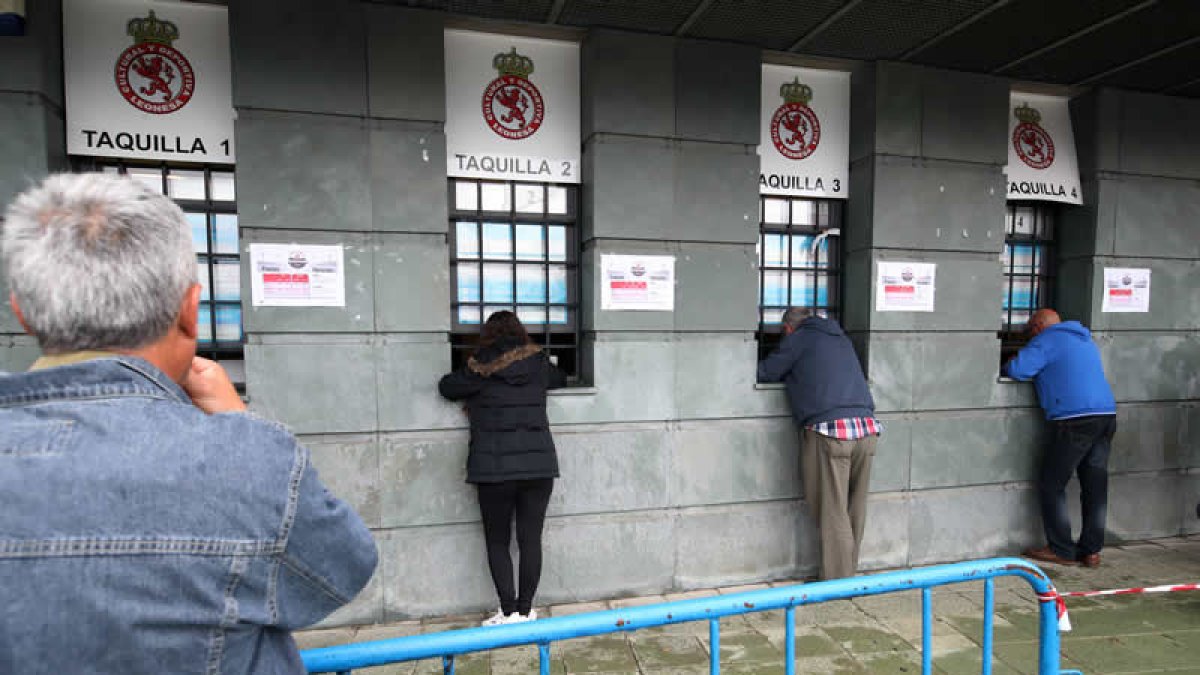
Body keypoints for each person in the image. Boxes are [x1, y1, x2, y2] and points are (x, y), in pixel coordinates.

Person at [0, 173, 378, 673]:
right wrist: (238, 424)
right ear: (189, 310)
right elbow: (342, 568)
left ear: (22, 313)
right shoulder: (247, 460)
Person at [439, 311, 567, 626]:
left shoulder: (479, 367)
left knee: (498, 540)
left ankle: (508, 611)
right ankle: (526, 610)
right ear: (521, 333)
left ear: (487, 336)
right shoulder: (538, 365)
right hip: (538, 468)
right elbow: (561, 377)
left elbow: (446, 387)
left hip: (494, 472)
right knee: (530, 539)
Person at [758, 307, 881, 580]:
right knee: (854, 507)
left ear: (788, 329)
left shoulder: (798, 339)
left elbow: (766, 371)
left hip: (831, 432)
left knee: (831, 509)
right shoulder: (840, 338)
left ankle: (838, 584)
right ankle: (848, 571)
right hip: (867, 429)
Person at [1006, 308, 1116, 568]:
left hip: (1075, 420)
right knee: (1094, 484)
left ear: (1037, 327)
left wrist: (1009, 360)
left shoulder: (1048, 339)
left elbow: (1018, 370)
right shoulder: (1083, 339)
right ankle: (1091, 551)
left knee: (1052, 483)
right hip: (1106, 416)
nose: (1029, 337)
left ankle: (1061, 549)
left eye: (1029, 331)